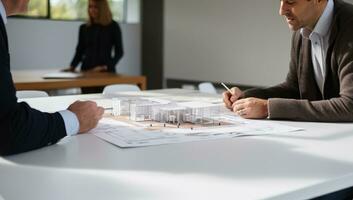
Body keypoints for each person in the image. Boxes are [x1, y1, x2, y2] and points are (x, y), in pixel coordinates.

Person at [0, 0, 104, 155]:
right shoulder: (85, 27)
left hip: (103, 70)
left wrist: (106, 66)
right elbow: (8, 127)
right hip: (86, 68)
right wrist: (74, 119)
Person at [223, 0, 353, 122]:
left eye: (290, 2)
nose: (281, 10)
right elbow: (294, 89)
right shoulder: (302, 29)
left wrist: (267, 108)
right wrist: (245, 98)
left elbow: (350, 105)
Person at [64, 0, 123, 74]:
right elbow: (79, 50)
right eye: (90, 7)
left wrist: (106, 67)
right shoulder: (84, 28)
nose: (92, 10)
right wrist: (72, 66)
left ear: (103, 8)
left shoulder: (113, 26)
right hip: (86, 71)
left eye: (96, 7)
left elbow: (119, 52)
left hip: (106, 71)